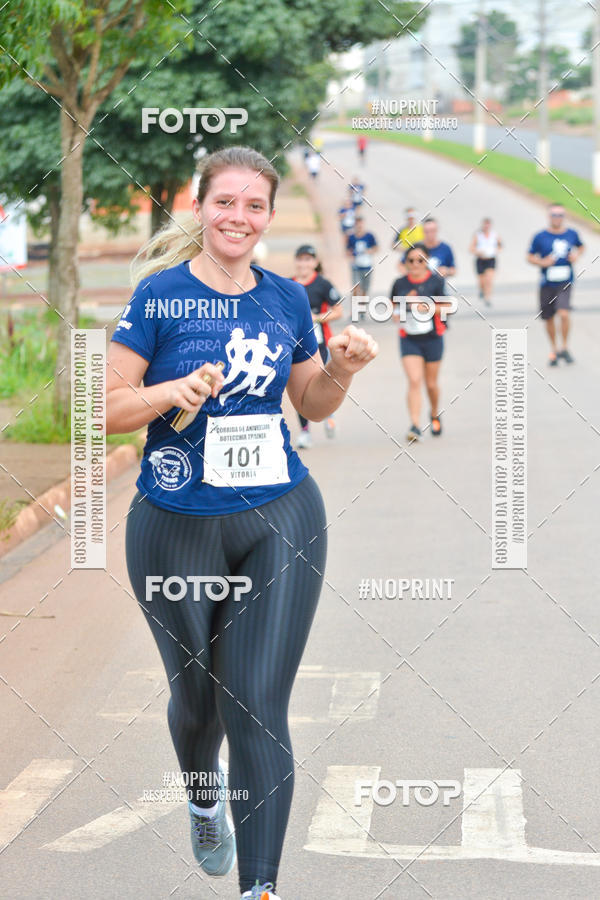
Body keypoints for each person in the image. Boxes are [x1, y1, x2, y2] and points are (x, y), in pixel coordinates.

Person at [106, 146, 377, 900]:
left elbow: (310, 402)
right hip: (176, 525)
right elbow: (105, 409)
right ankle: (204, 798)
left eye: (254, 206)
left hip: (279, 515)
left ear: (268, 216)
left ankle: (260, 887)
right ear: (199, 208)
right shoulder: (160, 297)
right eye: (225, 201)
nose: (239, 217)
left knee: (254, 701)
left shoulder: (286, 299)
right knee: (199, 703)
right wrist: (172, 390)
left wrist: (343, 369)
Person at [390, 242, 450, 443]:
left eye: (420, 260)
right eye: (411, 260)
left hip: (432, 337)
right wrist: (400, 309)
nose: (415, 264)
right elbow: (392, 308)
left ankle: (434, 413)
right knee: (415, 380)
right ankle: (415, 425)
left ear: (427, 261)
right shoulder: (400, 284)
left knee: (431, 384)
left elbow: (447, 307)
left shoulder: (436, 281)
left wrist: (427, 307)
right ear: (405, 263)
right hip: (409, 338)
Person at [292, 244, 343, 447]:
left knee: (321, 382)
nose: (304, 264)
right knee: (299, 388)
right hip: (295, 343)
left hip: (319, 342)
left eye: (308, 259)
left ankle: (328, 414)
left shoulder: (322, 284)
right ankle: (305, 432)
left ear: (315, 262)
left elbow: (338, 311)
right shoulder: (288, 284)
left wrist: (317, 318)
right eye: (300, 259)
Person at [527, 202, 584, 365]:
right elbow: (529, 256)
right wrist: (542, 262)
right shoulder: (540, 236)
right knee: (549, 317)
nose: (557, 218)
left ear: (564, 217)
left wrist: (576, 255)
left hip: (565, 281)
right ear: (549, 216)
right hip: (547, 283)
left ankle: (565, 346)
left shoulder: (571, 234)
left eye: (560, 215)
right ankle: (554, 349)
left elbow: (581, 247)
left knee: (564, 313)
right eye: (554, 215)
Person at [346, 215, 378, 319]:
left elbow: (376, 247)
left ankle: (362, 310)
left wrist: (369, 251)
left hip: (367, 266)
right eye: (357, 224)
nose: (359, 226)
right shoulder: (351, 237)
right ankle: (354, 311)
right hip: (356, 266)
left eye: (360, 224)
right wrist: (352, 255)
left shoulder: (369, 236)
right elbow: (348, 250)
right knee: (356, 288)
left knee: (364, 289)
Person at [469, 217, 502, 306]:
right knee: (482, 281)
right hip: (481, 259)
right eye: (485, 225)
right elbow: (471, 248)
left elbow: (500, 245)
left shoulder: (494, 235)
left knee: (489, 279)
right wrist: (477, 252)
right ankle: (482, 290)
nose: (486, 227)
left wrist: (497, 250)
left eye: (488, 225)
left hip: (490, 259)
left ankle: (488, 297)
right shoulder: (478, 235)